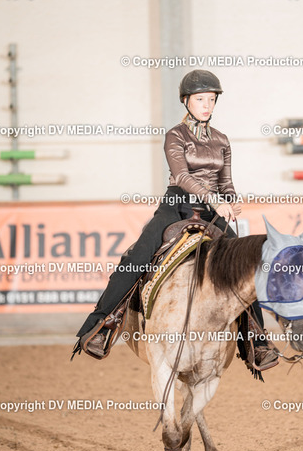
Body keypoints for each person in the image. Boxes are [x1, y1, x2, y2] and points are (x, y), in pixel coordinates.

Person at [73, 70, 271, 364]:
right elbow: (182, 176)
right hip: (177, 205)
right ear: (186, 101)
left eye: (211, 99)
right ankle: (102, 325)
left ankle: (256, 341)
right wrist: (215, 200)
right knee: (137, 257)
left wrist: (230, 199)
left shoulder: (222, 140)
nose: (207, 105)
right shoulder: (175, 136)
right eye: (200, 99)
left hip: (212, 212)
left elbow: (226, 181)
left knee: (241, 265)